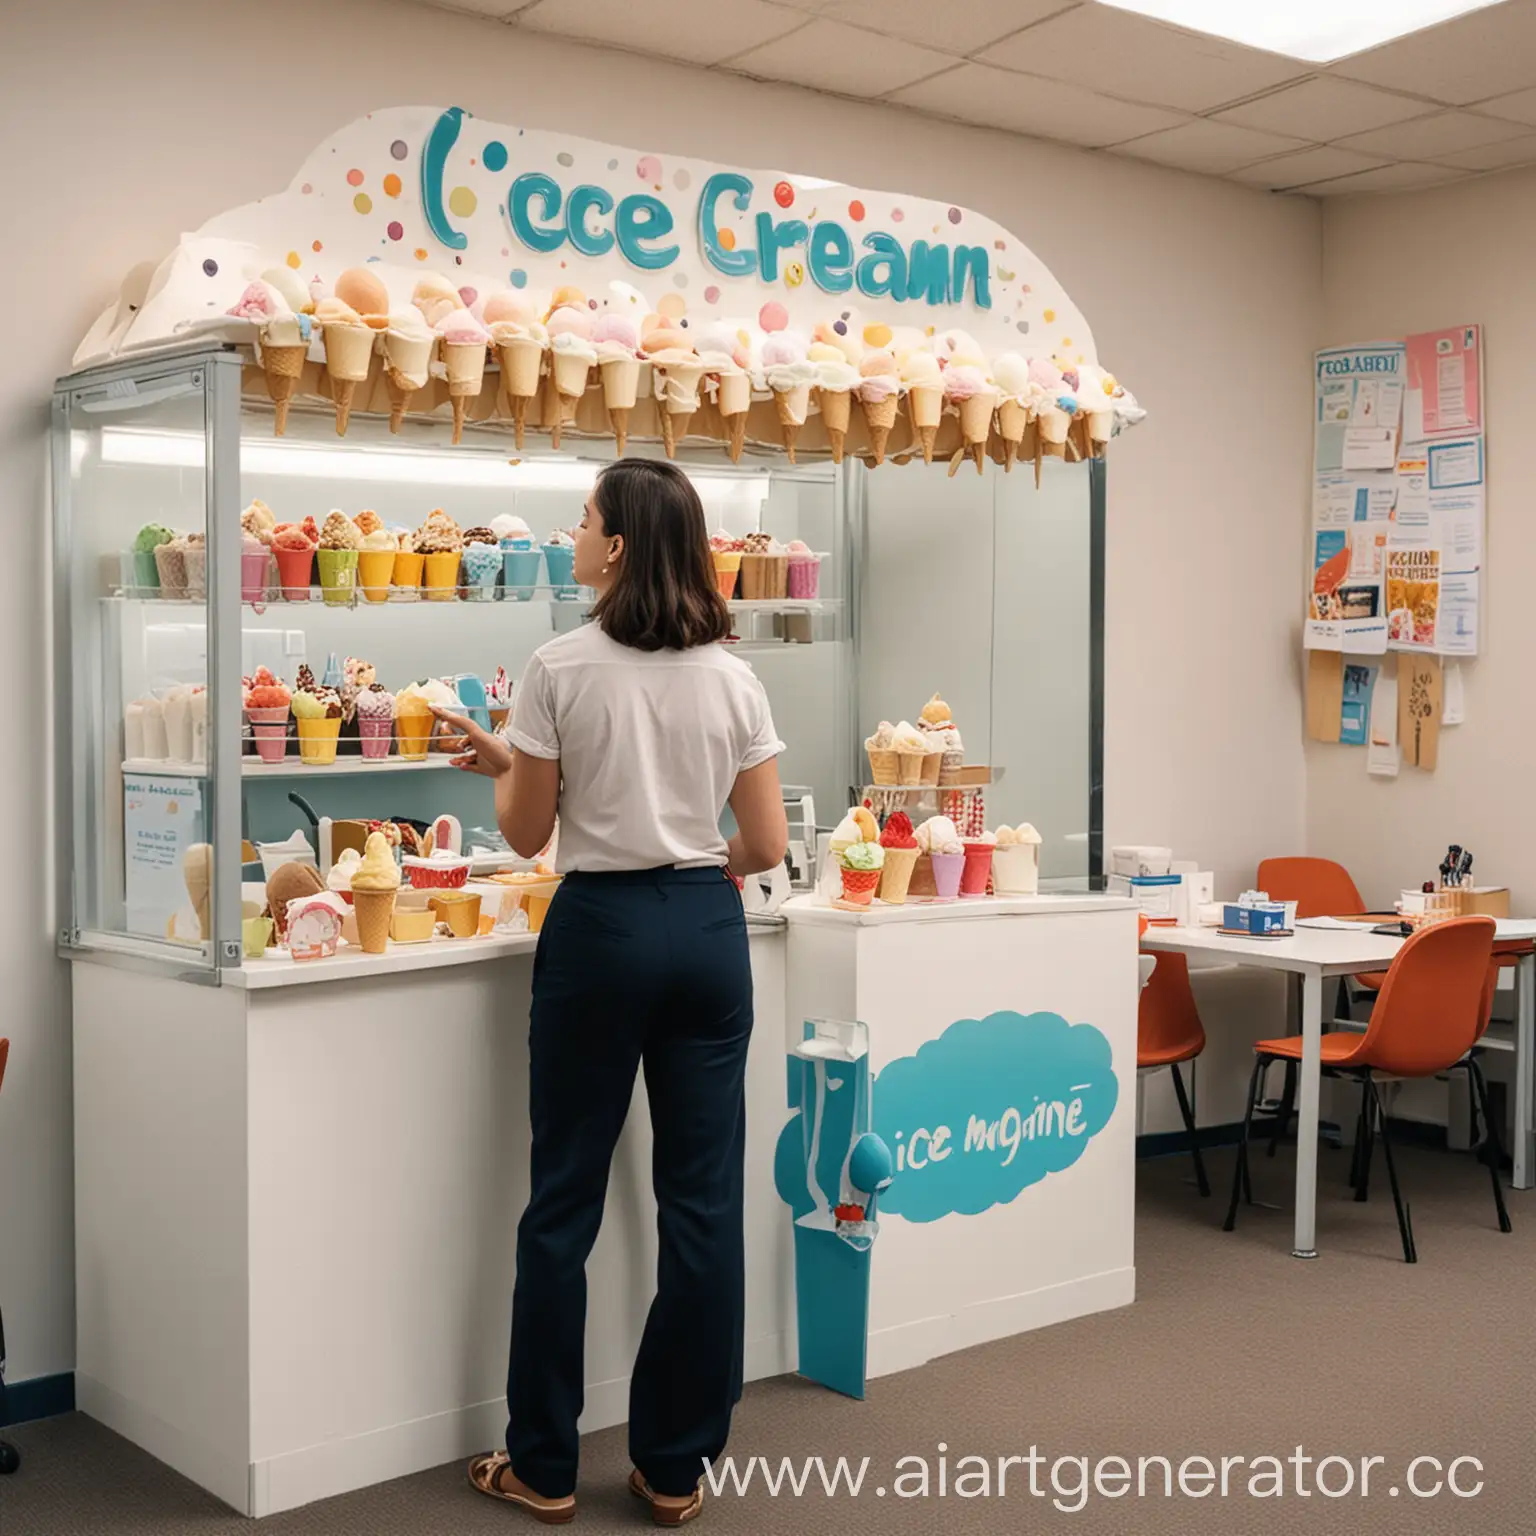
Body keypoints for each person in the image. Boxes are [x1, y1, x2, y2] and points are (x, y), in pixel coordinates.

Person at [436, 458, 788, 1528]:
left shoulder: (559, 665)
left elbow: (530, 832)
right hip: (705, 932)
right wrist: (693, 870)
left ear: (619, 546)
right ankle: (675, 1467)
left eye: (584, 519)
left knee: (564, 1204)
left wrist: (509, 765)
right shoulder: (734, 676)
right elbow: (766, 843)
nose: (573, 532)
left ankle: (544, 1466)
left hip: (599, 933)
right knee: (703, 1204)